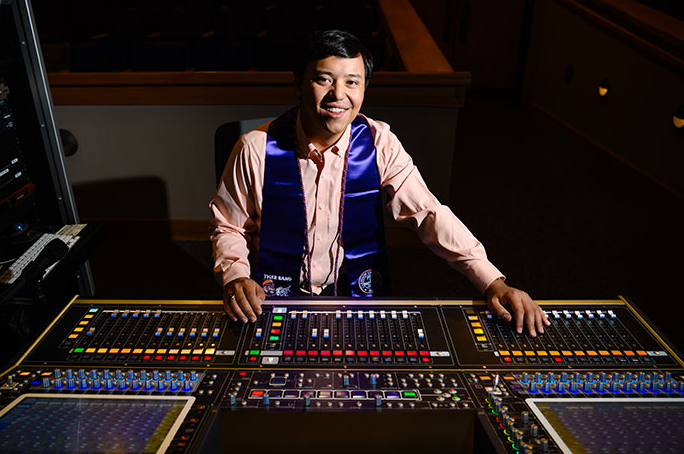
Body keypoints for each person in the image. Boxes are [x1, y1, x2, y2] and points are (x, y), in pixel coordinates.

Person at [210, 30, 550, 336]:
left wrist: (493, 282)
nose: (337, 95)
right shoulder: (255, 148)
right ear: (299, 82)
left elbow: (428, 214)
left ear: (365, 88)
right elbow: (228, 226)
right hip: (271, 298)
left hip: (356, 296)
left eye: (352, 83)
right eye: (323, 80)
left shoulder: (379, 143)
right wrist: (237, 277)